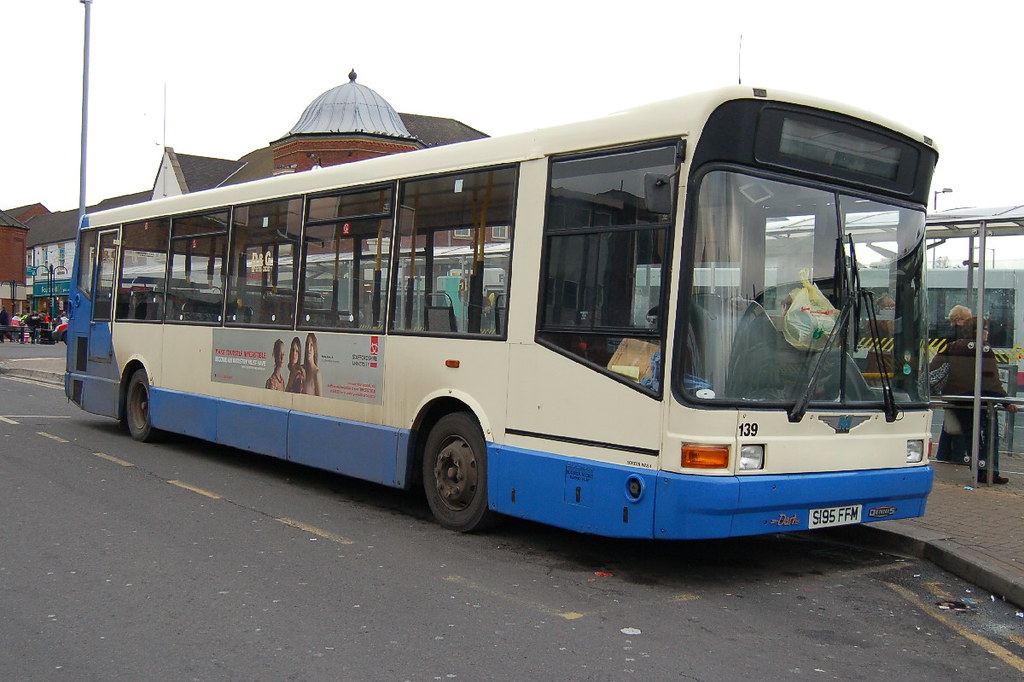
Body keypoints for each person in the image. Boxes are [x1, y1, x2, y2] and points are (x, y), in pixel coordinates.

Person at [929, 316, 1016, 483]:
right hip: (980, 400)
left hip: (956, 399)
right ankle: (988, 472)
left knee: (968, 436)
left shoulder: (952, 346)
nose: (988, 333)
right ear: (980, 331)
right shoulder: (984, 350)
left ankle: (970, 466)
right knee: (988, 435)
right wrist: (1006, 401)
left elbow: (933, 369)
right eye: (986, 329)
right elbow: (992, 381)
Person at [302, 333, 322, 397]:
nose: (308, 349)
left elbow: (320, 400)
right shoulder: (302, 369)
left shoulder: (316, 373)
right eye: (307, 345)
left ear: (314, 348)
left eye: (311, 345)